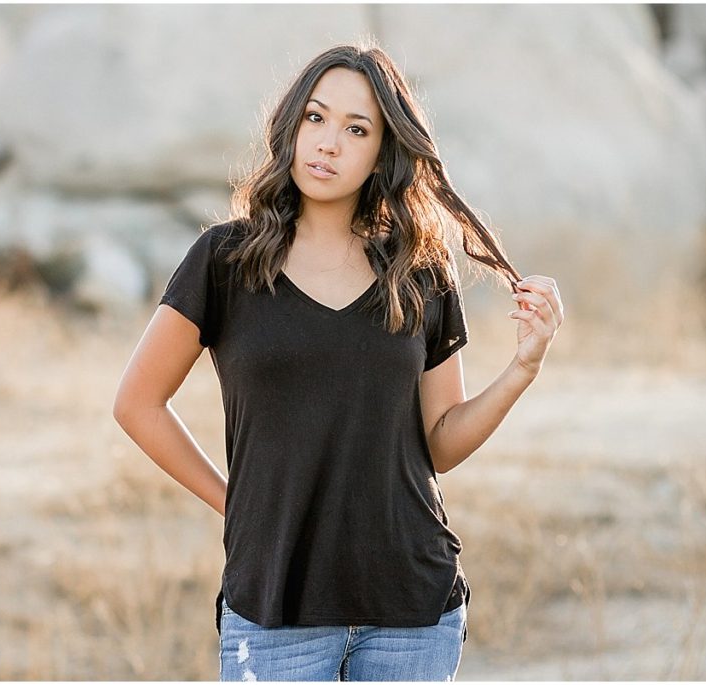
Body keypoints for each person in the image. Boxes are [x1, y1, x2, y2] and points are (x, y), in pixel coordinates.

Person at [113, 40, 564, 682]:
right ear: (292, 124)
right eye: (316, 118)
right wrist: (235, 502)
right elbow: (136, 403)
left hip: (412, 612)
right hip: (274, 607)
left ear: (384, 152)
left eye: (357, 130)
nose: (328, 143)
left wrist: (523, 368)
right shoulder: (225, 260)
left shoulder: (418, 272)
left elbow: (438, 443)